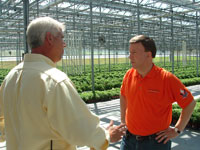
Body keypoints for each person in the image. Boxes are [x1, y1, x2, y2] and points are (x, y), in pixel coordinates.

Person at [0, 17, 126, 150]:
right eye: (62, 38)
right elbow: (78, 127)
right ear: (50, 39)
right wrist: (106, 136)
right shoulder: (53, 80)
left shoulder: (11, 76)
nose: (64, 44)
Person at [120, 35, 196, 150]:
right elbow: (123, 95)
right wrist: (123, 120)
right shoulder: (129, 75)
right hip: (128, 140)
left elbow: (190, 103)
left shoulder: (166, 79)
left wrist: (177, 129)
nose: (129, 56)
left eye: (134, 52)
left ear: (148, 55)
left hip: (155, 143)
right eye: (129, 52)